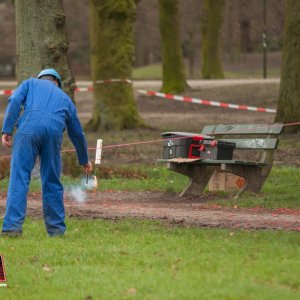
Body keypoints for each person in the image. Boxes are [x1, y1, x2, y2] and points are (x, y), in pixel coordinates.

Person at [1, 68, 92, 237]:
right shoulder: (65, 99)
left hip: (27, 130)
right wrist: (84, 160)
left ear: (41, 78)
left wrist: (7, 129)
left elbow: (14, 102)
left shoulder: (29, 83)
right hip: (53, 133)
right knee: (51, 180)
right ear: (57, 82)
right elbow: (77, 134)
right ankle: (56, 230)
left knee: (19, 177)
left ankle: (12, 228)